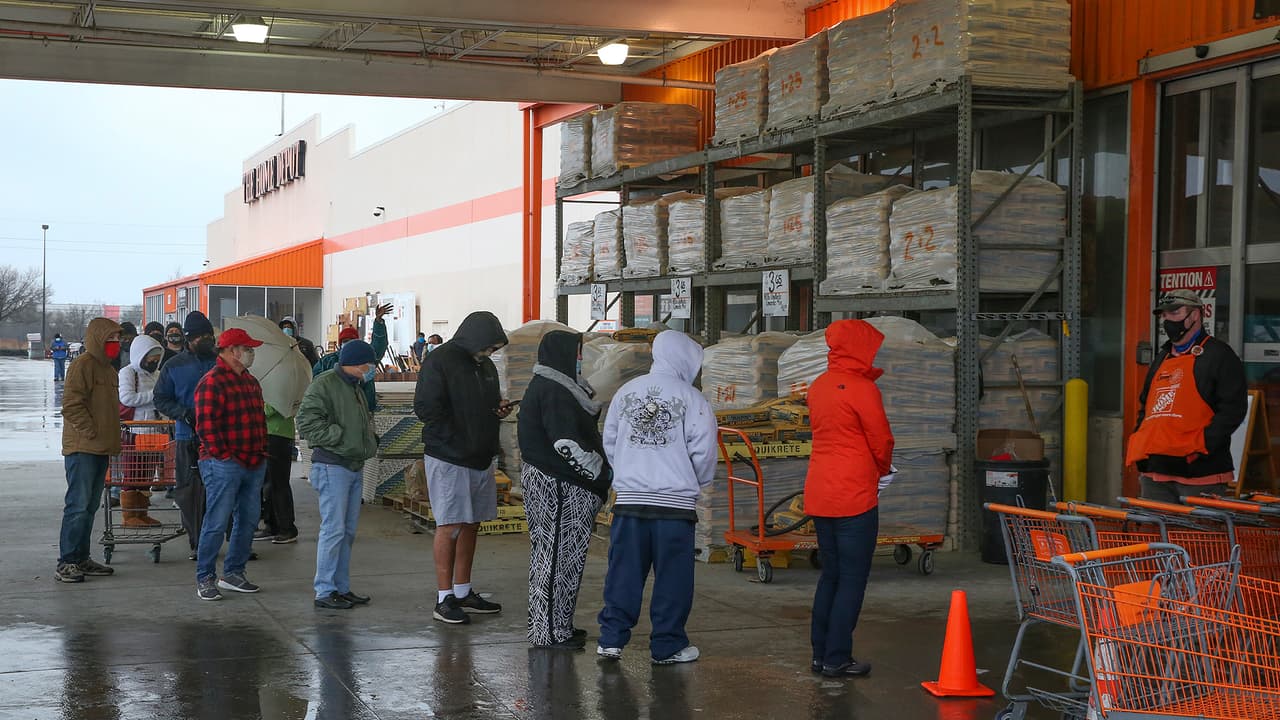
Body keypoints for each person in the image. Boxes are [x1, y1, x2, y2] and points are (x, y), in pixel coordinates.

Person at [597, 330, 717, 664]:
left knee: (623, 573)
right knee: (672, 579)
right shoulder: (693, 400)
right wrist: (696, 482)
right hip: (675, 508)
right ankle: (667, 645)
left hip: (630, 502)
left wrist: (630, 472)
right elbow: (704, 452)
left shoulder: (626, 393)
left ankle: (611, 640)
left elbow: (610, 440)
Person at [804, 320, 894, 678]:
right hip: (855, 493)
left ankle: (819, 652)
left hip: (821, 489)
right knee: (853, 578)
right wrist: (882, 470)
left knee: (831, 575)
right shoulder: (862, 389)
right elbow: (882, 440)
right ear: (860, 347)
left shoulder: (819, 386)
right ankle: (837, 657)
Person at [413, 310, 510, 624]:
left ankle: (463, 590)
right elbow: (426, 408)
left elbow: (482, 404)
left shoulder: (483, 366)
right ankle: (444, 598)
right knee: (451, 524)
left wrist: (495, 411)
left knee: (471, 523)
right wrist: (457, 434)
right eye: (488, 348)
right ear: (473, 338)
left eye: (494, 350)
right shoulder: (441, 360)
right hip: (449, 457)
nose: (490, 353)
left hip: (480, 456)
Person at [520, 331, 612, 649]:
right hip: (559, 486)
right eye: (577, 352)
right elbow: (566, 444)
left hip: (561, 484)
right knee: (556, 558)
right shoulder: (554, 391)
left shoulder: (560, 388)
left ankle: (559, 625)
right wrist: (599, 474)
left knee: (563, 558)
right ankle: (548, 632)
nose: (580, 359)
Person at [1128, 289, 1248, 502]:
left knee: (1197, 535)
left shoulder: (1219, 355)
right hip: (1156, 473)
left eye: (1174, 313)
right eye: (1164, 315)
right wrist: (1141, 444)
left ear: (1195, 315)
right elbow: (1146, 406)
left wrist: (1201, 447)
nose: (1167, 320)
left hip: (1200, 474)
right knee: (1155, 535)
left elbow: (1233, 410)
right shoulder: (1162, 358)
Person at [296, 340, 380, 610]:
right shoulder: (325, 384)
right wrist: (339, 437)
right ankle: (324, 590)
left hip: (353, 464)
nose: (372, 370)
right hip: (334, 466)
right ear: (357, 364)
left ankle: (341, 587)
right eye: (370, 365)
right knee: (334, 530)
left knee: (347, 532)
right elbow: (306, 422)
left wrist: (367, 441)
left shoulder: (354, 386)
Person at [192, 328, 269, 601]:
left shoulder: (250, 381)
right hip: (223, 463)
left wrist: (260, 452)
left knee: (247, 520)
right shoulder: (212, 382)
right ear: (232, 350)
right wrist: (223, 455)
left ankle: (234, 573)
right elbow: (206, 427)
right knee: (216, 521)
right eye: (247, 348)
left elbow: (259, 419)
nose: (251, 353)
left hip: (253, 460)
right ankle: (205, 577)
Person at [56, 317, 123, 583]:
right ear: (98, 339)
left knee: (90, 506)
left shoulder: (108, 370)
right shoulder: (82, 365)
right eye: (111, 339)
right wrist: (92, 432)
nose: (116, 344)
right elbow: (72, 405)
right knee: (78, 505)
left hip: (100, 448)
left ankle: (81, 557)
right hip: (83, 448)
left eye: (118, 340)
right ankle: (67, 561)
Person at [154, 311, 218, 561]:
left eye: (209, 335)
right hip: (186, 436)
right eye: (200, 336)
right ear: (189, 338)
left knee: (222, 489)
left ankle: (230, 537)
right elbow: (160, 398)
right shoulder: (173, 366)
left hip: (218, 437)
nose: (206, 339)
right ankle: (197, 542)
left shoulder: (221, 361)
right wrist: (183, 413)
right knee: (189, 492)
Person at [117, 334, 166, 528]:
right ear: (140, 356)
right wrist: (155, 395)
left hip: (155, 429)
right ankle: (129, 516)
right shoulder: (128, 373)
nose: (153, 361)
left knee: (147, 474)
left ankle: (142, 513)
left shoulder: (158, 374)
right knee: (133, 472)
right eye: (149, 357)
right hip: (134, 431)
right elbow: (127, 398)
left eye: (156, 358)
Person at [314, 303, 391, 412]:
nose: (348, 344)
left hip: (363, 410)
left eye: (351, 341)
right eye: (345, 341)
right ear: (340, 344)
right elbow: (315, 384)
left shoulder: (365, 358)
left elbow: (378, 346)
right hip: (335, 411)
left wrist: (378, 322)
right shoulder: (327, 361)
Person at [256, 402, 300, 545]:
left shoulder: (278, 388)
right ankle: (273, 525)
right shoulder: (277, 386)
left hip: (276, 434)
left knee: (278, 483)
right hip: (277, 434)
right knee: (270, 484)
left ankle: (287, 528)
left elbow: (270, 409)